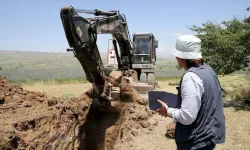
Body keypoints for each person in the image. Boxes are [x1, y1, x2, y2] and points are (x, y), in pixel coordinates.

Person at [156, 35, 226, 150]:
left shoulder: (191, 77)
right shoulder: (208, 70)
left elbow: (187, 117)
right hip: (207, 137)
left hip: (195, 141)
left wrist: (168, 111)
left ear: (181, 57)